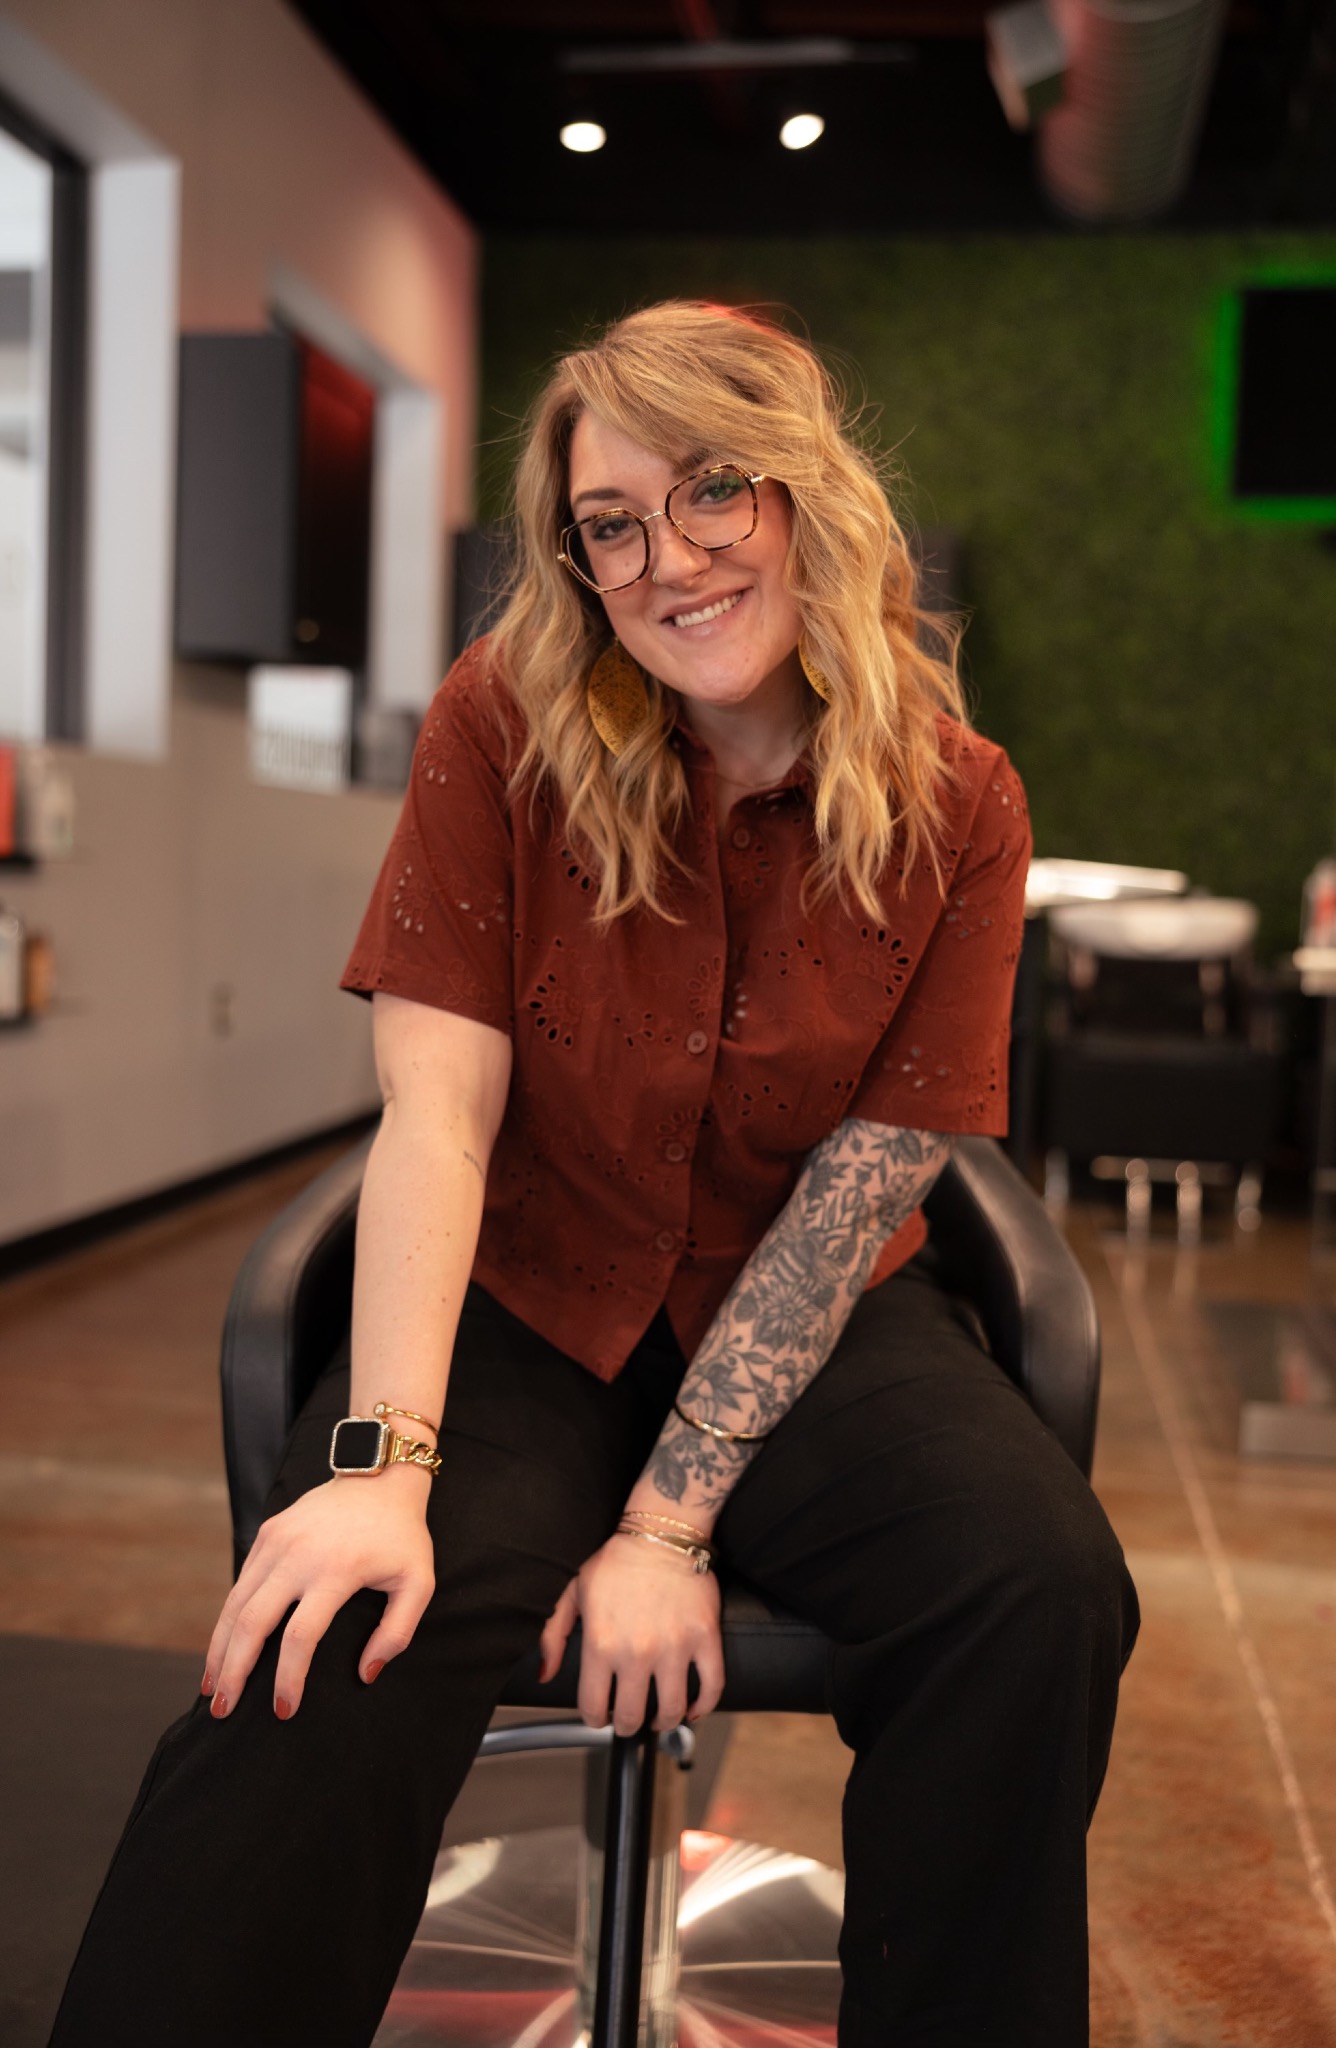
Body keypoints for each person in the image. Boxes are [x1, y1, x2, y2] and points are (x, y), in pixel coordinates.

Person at [51, 300, 1138, 2048]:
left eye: (710, 491)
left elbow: (864, 1186)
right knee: (336, 1631)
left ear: (802, 490)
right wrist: (381, 1468)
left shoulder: (960, 799)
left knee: (1037, 1591)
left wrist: (664, 1523)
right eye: (609, 524)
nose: (665, 562)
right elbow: (436, 1117)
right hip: (528, 1293)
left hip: (813, 1317)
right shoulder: (504, 721)